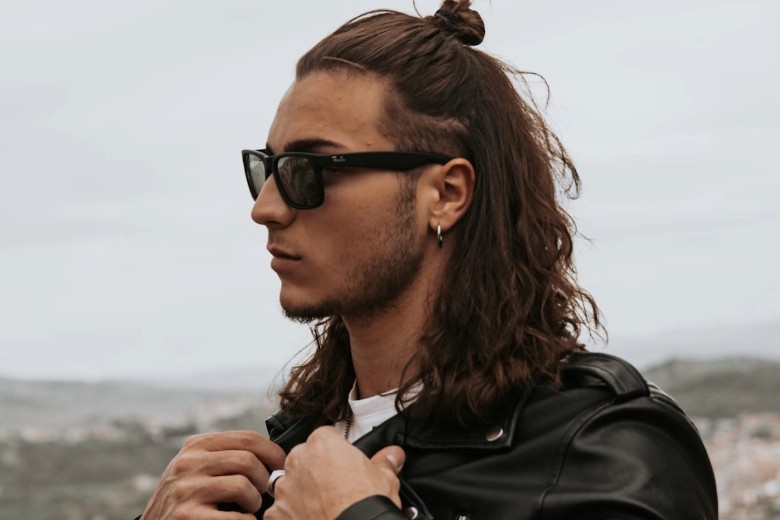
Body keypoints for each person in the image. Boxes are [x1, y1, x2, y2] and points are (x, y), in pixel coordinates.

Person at [139, 1, 718, 518]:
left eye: (309, 170)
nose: (266, 208)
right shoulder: (283, 466)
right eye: (266, 169)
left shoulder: (602, 448)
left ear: (445, 193)